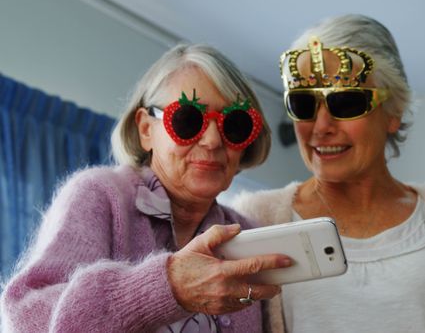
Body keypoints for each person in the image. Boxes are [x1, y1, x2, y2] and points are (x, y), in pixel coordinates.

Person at [0, 43, 292, 332]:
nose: (213, 141)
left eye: (235, 125)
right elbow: (25, 318)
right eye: (188, 120)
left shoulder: (247, 232)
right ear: (146, 129)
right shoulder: (99, 195)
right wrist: (169, 287)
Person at [232, 14, 425, 333]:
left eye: (346, 103)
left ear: (393, 113)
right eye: (304, 104)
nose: (321, 127)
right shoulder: (255, 218)